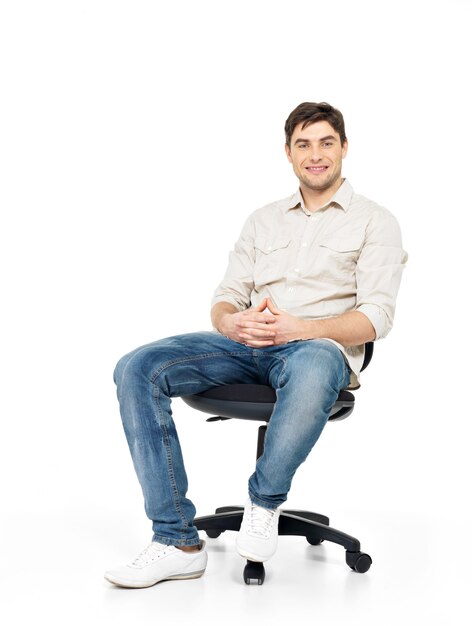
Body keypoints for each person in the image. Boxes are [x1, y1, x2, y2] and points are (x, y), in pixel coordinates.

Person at [104, 101, 407, 588]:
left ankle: (264, 504)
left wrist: (300, 329)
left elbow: (377, 318)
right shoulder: (263, 220)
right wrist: (233, 322)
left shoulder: (375, 221)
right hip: (246, 347)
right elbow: (224, 298)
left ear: (344, 148)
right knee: (137, 367)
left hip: (316, 351)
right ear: (288, 153)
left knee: (314, 361)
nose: (315, 155)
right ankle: (176, 539)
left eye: (326, 142)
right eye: (303, 145)